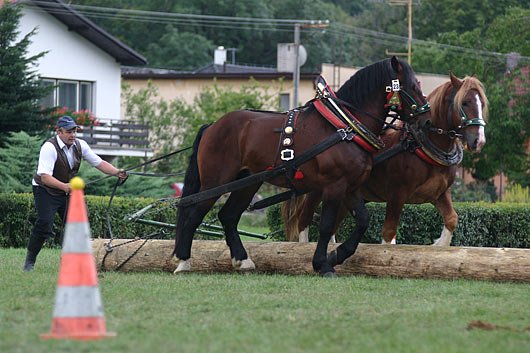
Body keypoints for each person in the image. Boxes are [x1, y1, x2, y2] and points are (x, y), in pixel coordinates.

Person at [23, 116, 127, 271]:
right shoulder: (49, 147)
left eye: (75, 131)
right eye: (69, 131)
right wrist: (65, 187)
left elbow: (98, 162)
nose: (73, 135)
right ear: (58, 132)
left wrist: (117, 172)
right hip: (45, 190)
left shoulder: (80, 145)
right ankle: (29, 262)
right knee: (44, 224)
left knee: (77, 225)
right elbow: (45, 177)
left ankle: (74, 262)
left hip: (66, 190)